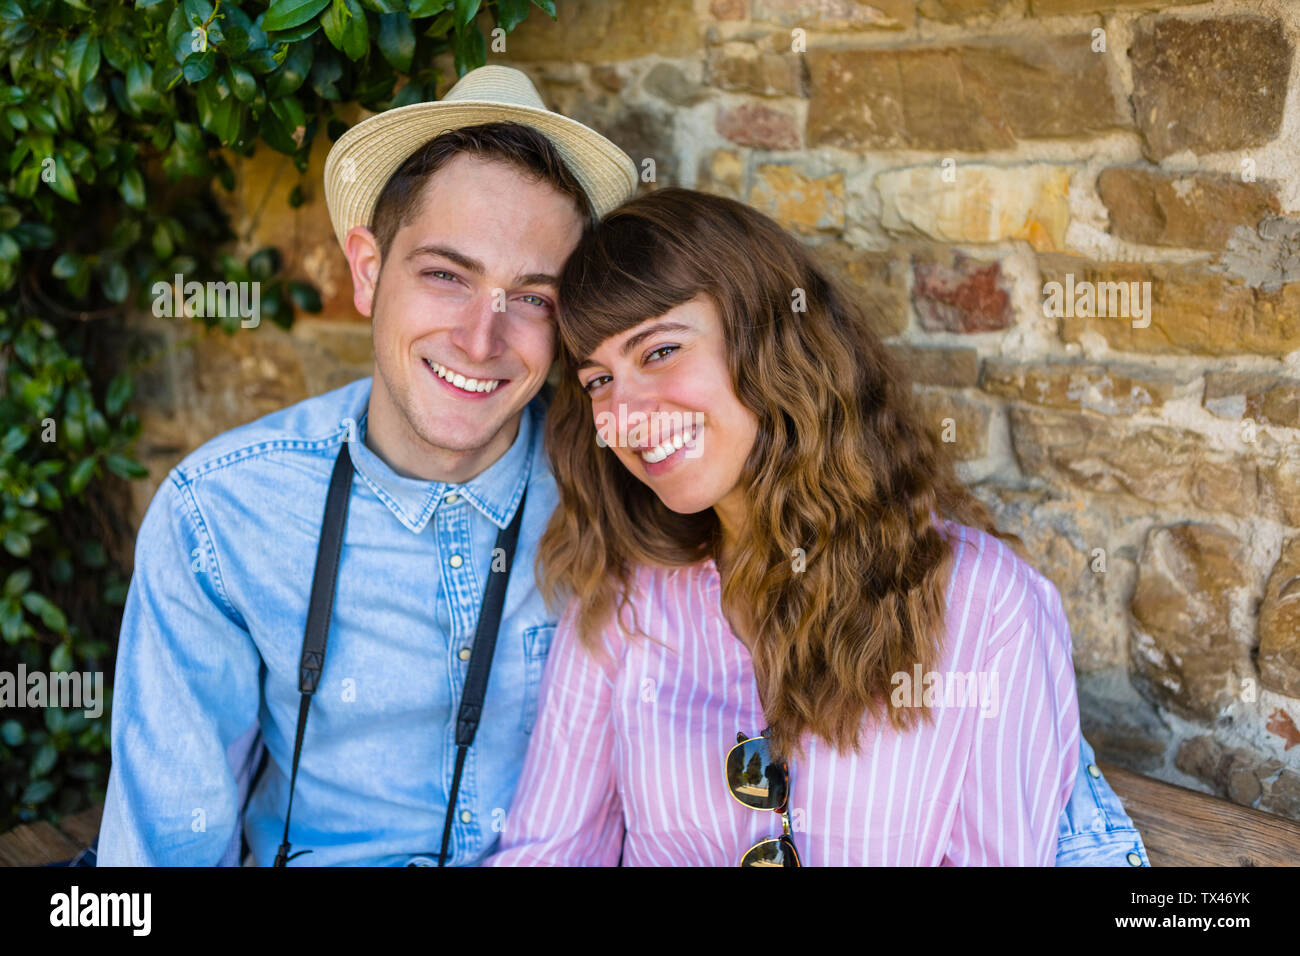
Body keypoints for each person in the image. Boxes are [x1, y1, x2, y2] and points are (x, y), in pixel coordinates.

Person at [97, 65, 1142, 867]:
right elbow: (157, 852)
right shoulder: (223, 513)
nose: (479, 335)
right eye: (446, 275)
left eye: (535, 300)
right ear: (367, 270)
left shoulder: (629, 519)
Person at [485, 187, 1149, 866]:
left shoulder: (984, 604)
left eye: (658, 352)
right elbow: (550, 851)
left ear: (767, 337)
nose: (625, 411)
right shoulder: (624, 599)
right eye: (599, 381)